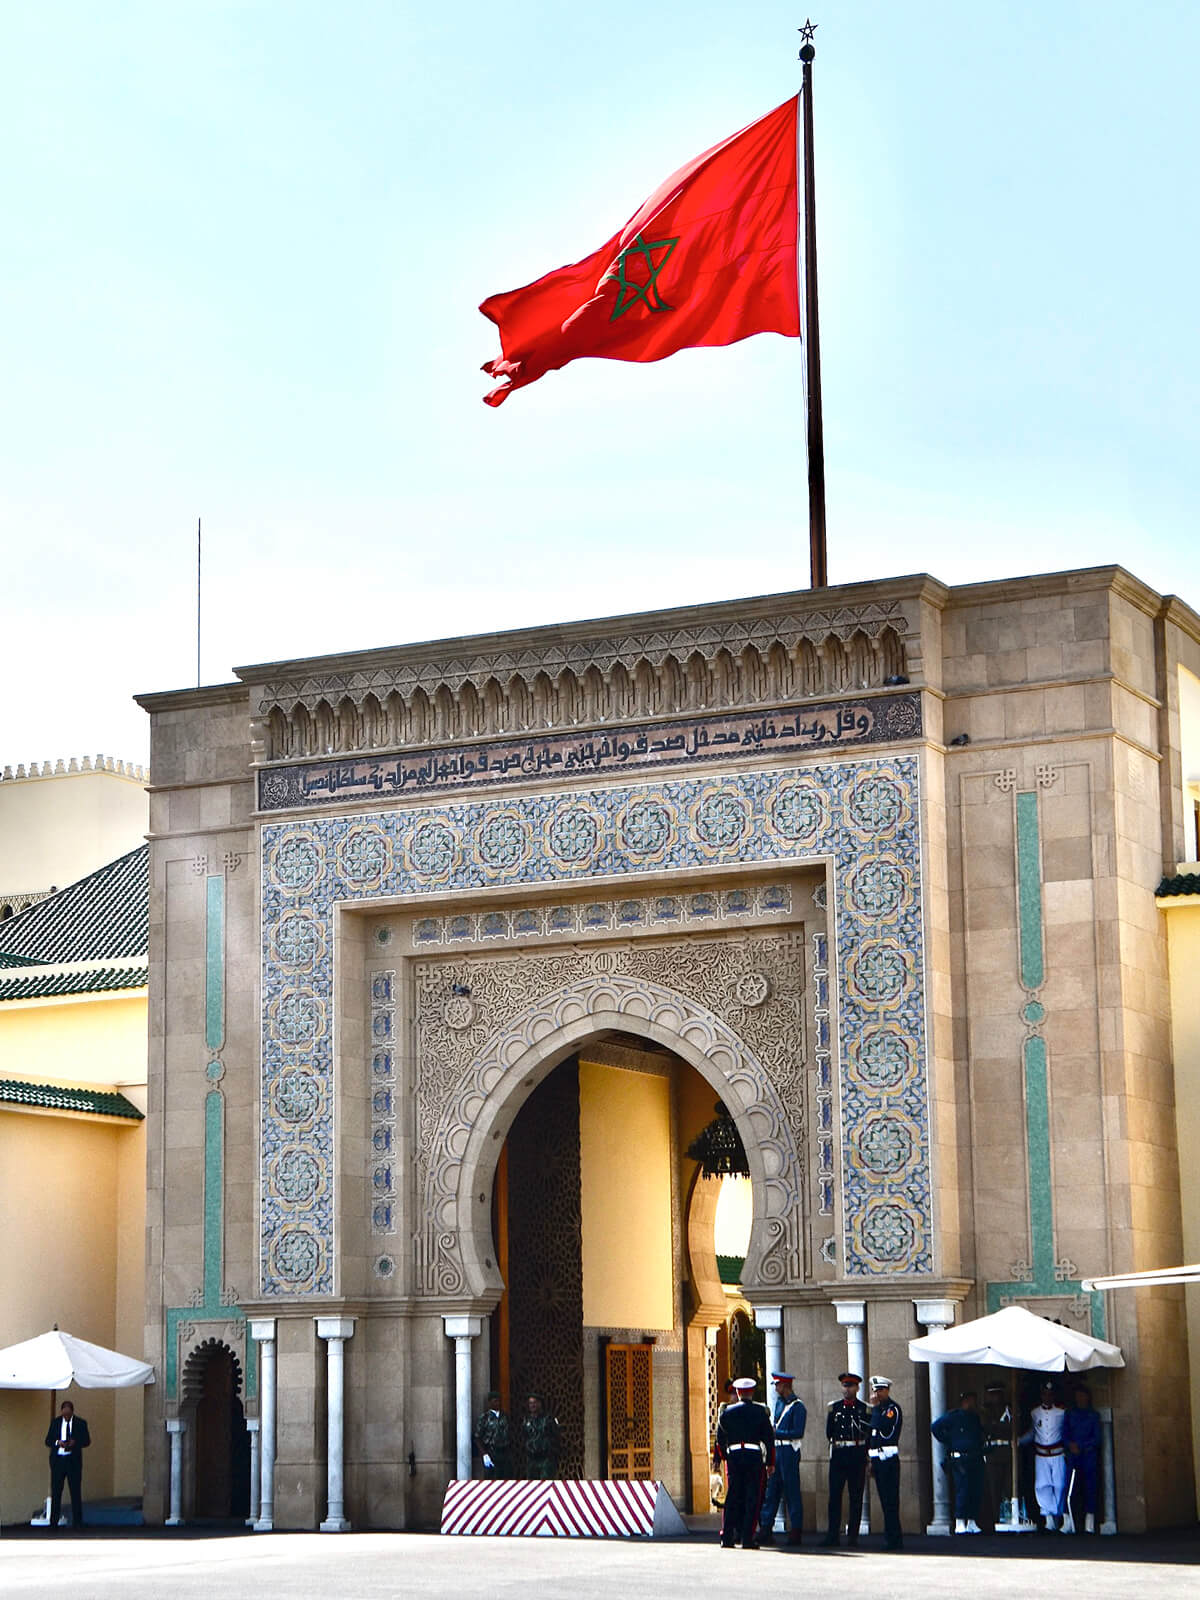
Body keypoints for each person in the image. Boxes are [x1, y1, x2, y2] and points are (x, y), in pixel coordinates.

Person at [713, 1376, 774, 1549]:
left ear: (738, 1393)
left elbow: (719, 1438)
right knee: (752, 1498)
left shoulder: (727, 1413)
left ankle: (727, 1537)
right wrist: (770, 1462)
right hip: (753, 1456)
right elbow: (768, 1438)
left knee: (733, 1497)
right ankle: (748, 1537)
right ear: (752, 1392)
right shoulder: (760, 1412)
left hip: (734, 1457)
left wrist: (725, 1454)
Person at [822, 1371, 871, 1547]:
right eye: (845, 1385)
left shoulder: (864, 1409)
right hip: (839, 1453)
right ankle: (832, 1535)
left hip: (856, 1453)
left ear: (857, 1388)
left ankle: (853, 1536)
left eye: (850, 1386)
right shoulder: (834, 1408)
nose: (847, 1389)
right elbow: (829, 1432)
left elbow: (868, 1434)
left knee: (856, 1496)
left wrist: (867, 1458)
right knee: (834, 1496)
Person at [758, 1371, 807, 1546]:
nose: (776, 1388)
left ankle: (796, 1530)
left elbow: (798, 1432)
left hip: (789, 1452)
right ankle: (765, 1528)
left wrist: (776, 1433)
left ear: (785, 1385)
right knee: (772, 1491)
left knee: (792, 1491)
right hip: (777, 1451)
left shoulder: (798, 1406)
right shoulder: (779, 1403)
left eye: (778, 1385)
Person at [931, 1390, 985, 1533]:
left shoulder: (974, 1417)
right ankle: (960, 1521)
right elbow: (935, 1427)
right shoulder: (953, 1416)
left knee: (975, 1490)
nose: (973, 1403)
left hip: (974, 1457)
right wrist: (949, 1440)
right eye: (970, 1400)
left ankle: (972, 1521)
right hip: (959, 1458)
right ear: (964, 1401)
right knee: (963, 1489)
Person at [1020, 1382, 1068, 1531]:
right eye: (1044, 1394)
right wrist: (1019, 1441)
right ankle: (1048, 1518)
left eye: (1050, 1394)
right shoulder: (1034, 1413)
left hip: (1057, 1453)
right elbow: (1033, 1433)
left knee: (1059, 1485)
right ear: (1041, 1395)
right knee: (1043, 1486)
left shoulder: (1061, 1413)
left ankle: (1058, 1515)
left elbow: (1065, 1432)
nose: (1047, 1397)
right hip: (1041, 1454)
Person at [867, 1376, 903, 1550]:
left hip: (889, 1458)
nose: (877, 1394)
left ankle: (895, 1538)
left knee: (891, 1501)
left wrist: (874, 1410)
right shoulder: (878, 1409)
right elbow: (871, 1435)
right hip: (877, 1459)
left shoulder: (892, 1409)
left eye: (880, 1390)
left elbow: (884, 1429)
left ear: (887, 1390)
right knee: (884, 1500)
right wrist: (871, 1460)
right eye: (875, 1390)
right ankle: (890, 1537)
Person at [44, 1400, 90, 1529]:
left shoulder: (80, 1423)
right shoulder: (55, 1423)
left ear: (72, 1412)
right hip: (58, 1460)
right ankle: (53, 1522)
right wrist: (58, 1442)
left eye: (68, 1414)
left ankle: (77, 1522)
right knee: (56, 1491)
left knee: (75, 1491)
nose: (66, 1416)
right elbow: (48, 1440)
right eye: (64, 1414)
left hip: (73, 1461)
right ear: (61, 1412)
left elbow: (87, 1441)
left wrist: (75, 1442)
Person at [1063, 1384, 1102, 1533]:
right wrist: (1070, 1444)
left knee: (1090, 1488)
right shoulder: (1070, 1414)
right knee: (1069, 1487)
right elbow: (1065, 1434)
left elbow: (1097, 1438)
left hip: (1088, 1456)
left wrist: (1081, 1445)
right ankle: (1068, 1521)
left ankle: (1089, 1522)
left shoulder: (1093, 1415)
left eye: (1082, 1395)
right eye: (1078, 1396)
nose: (1080, 1399)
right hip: (1073, 1456)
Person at [981, 1382, 1012, 1530]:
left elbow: (1012, 1428)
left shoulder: (1009, 1409)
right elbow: (985, 1428)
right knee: (994, 1489)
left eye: (998, 1394)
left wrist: (996, 1426)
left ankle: (1010, 1518)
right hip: (992, 1453)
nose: (995, 1398)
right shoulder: (985, 1411)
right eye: (992, 1395)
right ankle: (994, 1521)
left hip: (1008, 1452)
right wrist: (999, 1426)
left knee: (1009, 1488)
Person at [521, 1393, 561, 1479]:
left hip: (545, 1458)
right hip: (531, 1458)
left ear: (540, 1404)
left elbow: (556, 1436)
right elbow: (524, 1436)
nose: (532, 1405)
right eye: (530, 1403)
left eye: (534, 1403)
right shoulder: (526, 1420)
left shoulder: (548, 1419)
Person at [473, 1390, 512, 1479]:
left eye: (498, 1400)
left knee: (505, 1478)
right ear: (490, 1402)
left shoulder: (505, 1416)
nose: (497, 1403)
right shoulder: (485, 1418)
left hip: (504, 1452)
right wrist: (484, 1454)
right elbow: (477, 1438)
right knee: (492, 1479)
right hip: (491, 1451)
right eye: (495, 1401)